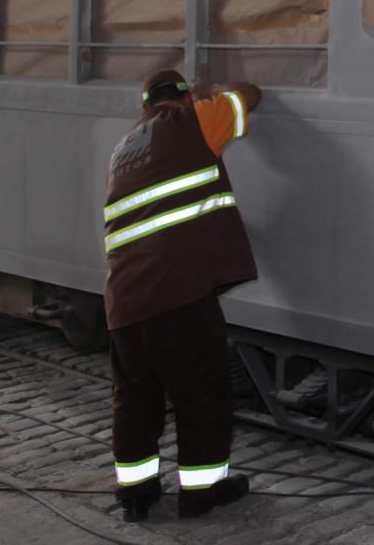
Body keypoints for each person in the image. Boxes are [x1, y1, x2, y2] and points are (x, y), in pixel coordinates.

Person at [103, 68, 263, 522]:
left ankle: (135, 494)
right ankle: (202, 492)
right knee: (202, 395)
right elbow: (251, 95)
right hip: (177, 293)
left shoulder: (124, 149)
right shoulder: (189, 121)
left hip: (123, 301)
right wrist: (209, 96)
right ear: (180, 99)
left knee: (135, 398)